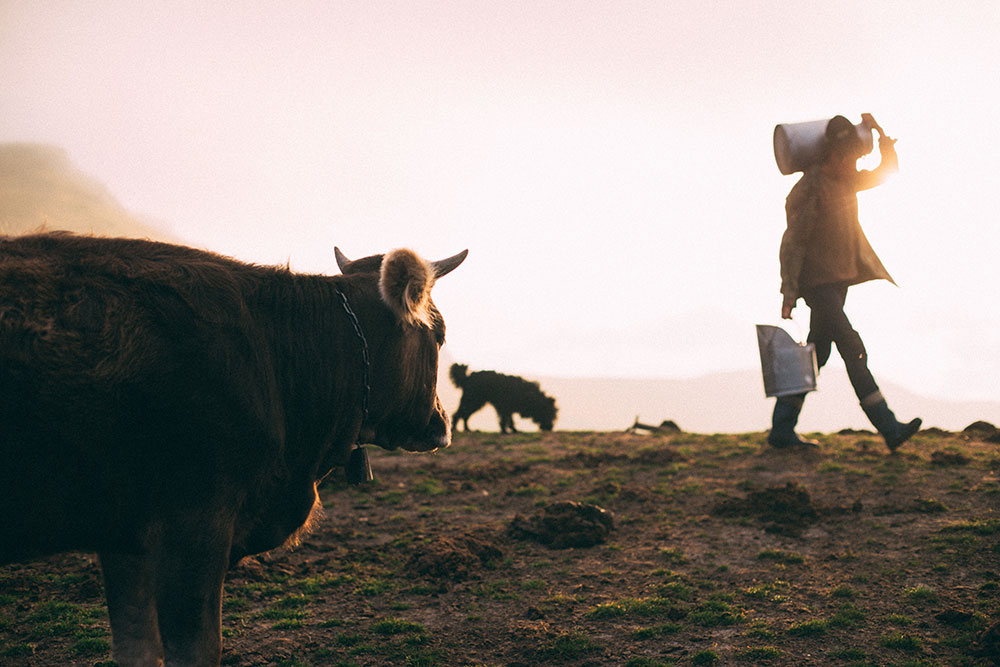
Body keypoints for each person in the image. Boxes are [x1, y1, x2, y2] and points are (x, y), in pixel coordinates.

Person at [771, 113, 921, 452]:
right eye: (849, 158)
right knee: (852, 347)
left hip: (837, 284)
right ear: (832, 156)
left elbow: (887, 173)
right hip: (817, 286)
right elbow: (792, 243)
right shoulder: (809, 189)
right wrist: (789, 292)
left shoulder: (846, 180)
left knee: (817, 354)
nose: (853, 164)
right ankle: (888, 425)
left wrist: (882, 134)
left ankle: (781, 429)